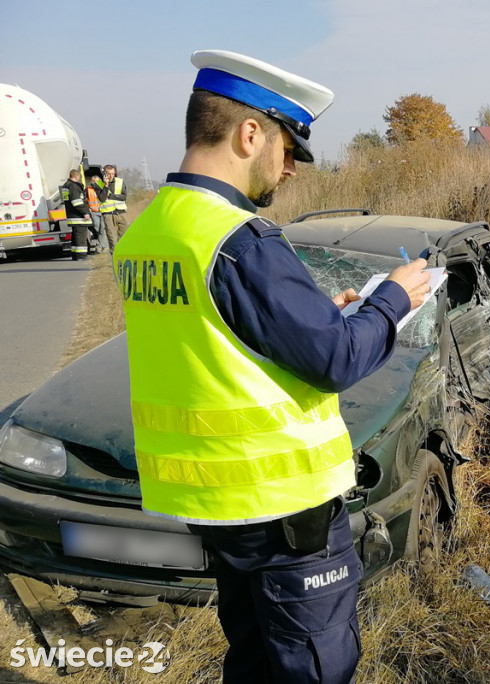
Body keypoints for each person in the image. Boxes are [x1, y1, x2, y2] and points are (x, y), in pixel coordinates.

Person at [112, 50, 431, 683]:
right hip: (286, 511)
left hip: (215, 505)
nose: (290, 169)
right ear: (248, 133)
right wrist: (395, 299)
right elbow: (338, 359)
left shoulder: (148, 233)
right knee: (312, 665)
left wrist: (320, 314)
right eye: (289, 148)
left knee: (254, 657)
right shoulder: (239, 240)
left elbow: (217, 342)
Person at [60, 169, 93, 260]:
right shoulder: (74, 187)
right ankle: (81, 256)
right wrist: (85, 212)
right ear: (76, 176)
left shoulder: (66, 186)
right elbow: (76, 202)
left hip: (71, 215)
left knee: (75, 237)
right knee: (81, 237)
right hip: (78, 217)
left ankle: (75, 255)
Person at [98, 164, 128, 246]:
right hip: (108, 214)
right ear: (104, 174)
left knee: (125, 235)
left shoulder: (120, 181)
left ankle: (122, 253)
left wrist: (111, 196)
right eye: (108, 174)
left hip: (121, 213)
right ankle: (114, 256)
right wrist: (106, 186)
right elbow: (102, 198)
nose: (111, 176)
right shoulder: (99, 183)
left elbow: (124, 197)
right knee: (112, 239)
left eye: (112, 173)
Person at [86, 173, 107, 252]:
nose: (94, 183)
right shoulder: (88, 189)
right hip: (94, 212)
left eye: (96, 181)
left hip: (102, 211)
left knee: (102, 229)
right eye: (93, 181)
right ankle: (101, 245)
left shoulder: (103, 188)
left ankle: (101, 246)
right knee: (97, 228)